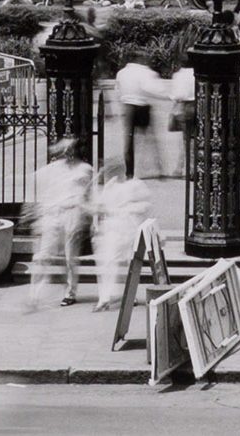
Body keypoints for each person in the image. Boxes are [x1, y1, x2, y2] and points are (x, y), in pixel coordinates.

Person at [27, 138, 93, 309]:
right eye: (65, 150)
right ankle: (35, 294)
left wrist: (89, 219)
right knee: (44, 255)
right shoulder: (54, 169)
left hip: (73, 214)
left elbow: (87, 195)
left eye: (71, 149)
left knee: (70, 258)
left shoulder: (85, 170)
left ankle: (70, 293)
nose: (68, 153)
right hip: (53, 215)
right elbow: (38, 182)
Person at [90, 166, 153, 311]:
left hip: (128, 228)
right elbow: (99, 207)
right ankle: (105, 297)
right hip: (112, 229)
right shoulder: (109, 187)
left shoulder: (135, 185)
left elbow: (146, 205)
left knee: (128, 264)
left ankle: (130, 295)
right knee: (108, 263)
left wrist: (130, 212)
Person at [115, 50, 162, 178]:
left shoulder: (121, 73)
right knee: (151, 139)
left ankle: (129, 171)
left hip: (128, 107)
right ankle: (157, 167)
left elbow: (117, 91)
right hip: (142, 107)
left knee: (129, 140)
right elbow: (151, 88)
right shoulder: (147, 72)